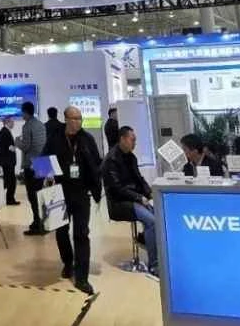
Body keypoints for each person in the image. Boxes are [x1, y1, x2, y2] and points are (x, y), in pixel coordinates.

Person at [44, 106, 103, 295]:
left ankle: (82, 277)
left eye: (80, 118)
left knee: (81, 233)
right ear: (66, 119)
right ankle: (68, 262)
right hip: (59, 191)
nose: (78, 122)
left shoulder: (87, 139)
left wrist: (96, 187)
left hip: (81, 192)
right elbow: (43, 161)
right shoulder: (55, 138)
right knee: (61, 231)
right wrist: (48, 176)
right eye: (74, 118)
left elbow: (97, 163)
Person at [102, 126, 157, 275]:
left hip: (134, 199)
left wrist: (150, 193)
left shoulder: (131, 157)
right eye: (133, 140)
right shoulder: (111, 160)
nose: (135, 143)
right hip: (119, 203)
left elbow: (139, 179)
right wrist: (139, 198)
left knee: (157, 215)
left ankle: (148, 242)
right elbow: (117, 189)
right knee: (152, 221)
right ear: (122, 139)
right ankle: (154, 265)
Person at [18, 101, 47, 235]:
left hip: (32, 164)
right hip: (44, 162)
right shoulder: (41, 124)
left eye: (22, 112)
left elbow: (26, 147)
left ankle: (37, 224)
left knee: (32, 195)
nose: (21, 115)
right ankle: (43, 221)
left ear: (25, 112)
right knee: (41, 194)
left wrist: (17, 142)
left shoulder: (27, 126)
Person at [0, 117, 20, 206]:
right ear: (7, 122)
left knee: (9, 181)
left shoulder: (6, 131)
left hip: (8, 161)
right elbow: (0, 144)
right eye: (12, 121)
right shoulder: (3, 132)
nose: (13, 123)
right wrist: (10, 147)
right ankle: (10, 199)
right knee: (11, 181)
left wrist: (12, 146)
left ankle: (9, 199)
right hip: (7, 162)